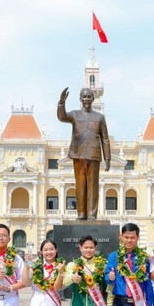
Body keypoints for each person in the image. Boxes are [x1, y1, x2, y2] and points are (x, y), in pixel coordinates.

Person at [57, 87, 111, 220]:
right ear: (80, 99)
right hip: (78, 153)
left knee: (93, 184)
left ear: (93, 99)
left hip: (94, 154)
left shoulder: (100, 117)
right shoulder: (75, 114)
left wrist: (107, 158)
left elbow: (105, 138)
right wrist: (61, 103)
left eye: (89, 97)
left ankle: (92, 214)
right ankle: (81, 214)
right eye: (84, 97)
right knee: (80, 184)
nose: (87, 99)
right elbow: (62, 117)